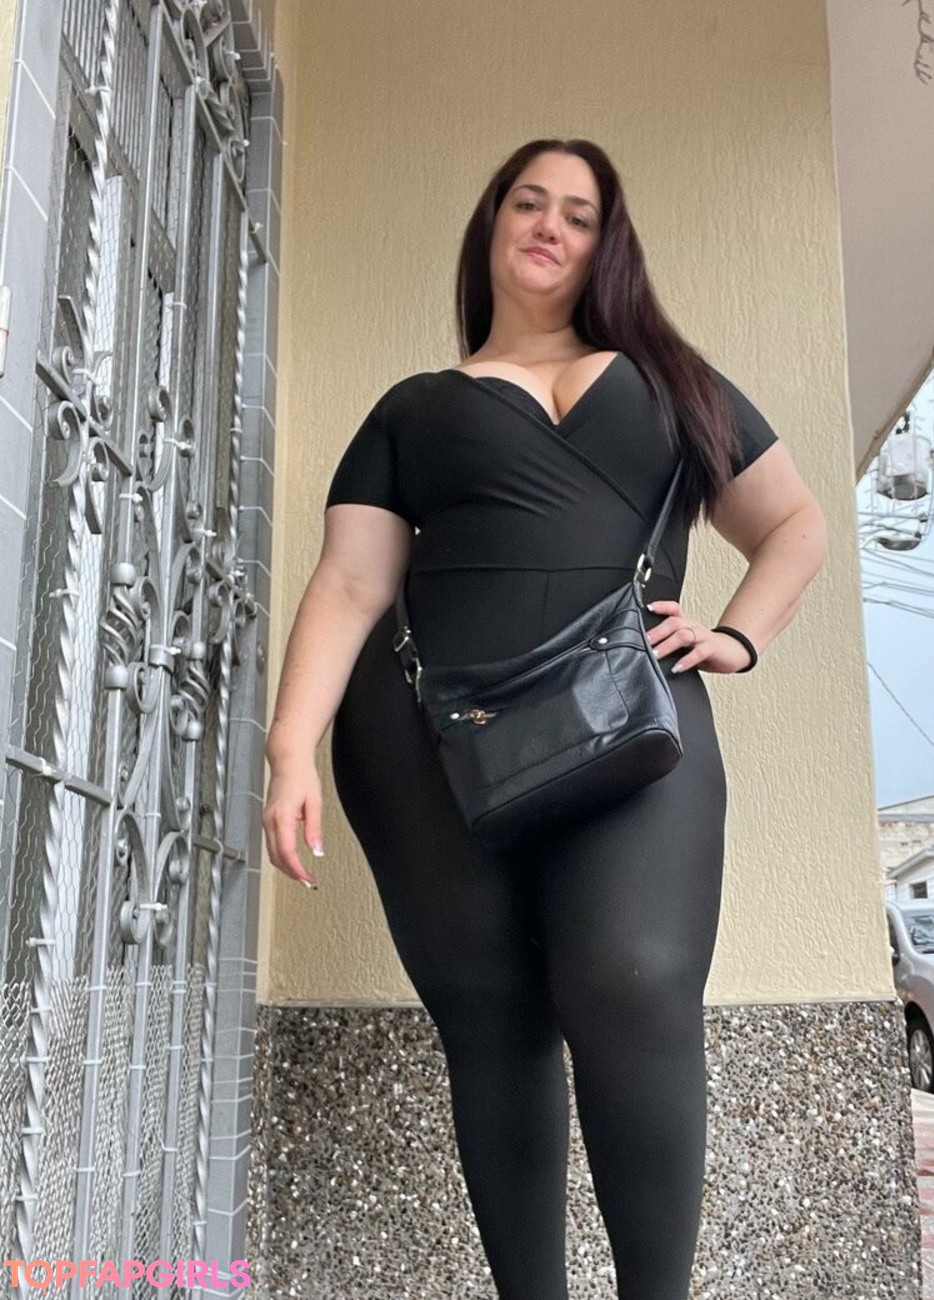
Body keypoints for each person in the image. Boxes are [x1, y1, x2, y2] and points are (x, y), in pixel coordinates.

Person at [263, 138, 827, 1300]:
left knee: (632, 980)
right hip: (428, 738)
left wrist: (739, 635)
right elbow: (351, 583)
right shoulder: (414, 409)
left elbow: (794, 524)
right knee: (494, 1017)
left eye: (578, 213)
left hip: (633, 722)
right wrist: (289, 748)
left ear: (604, 247)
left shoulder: (674, 383)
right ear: (492, 225)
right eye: (529, 202)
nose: (550, 226)